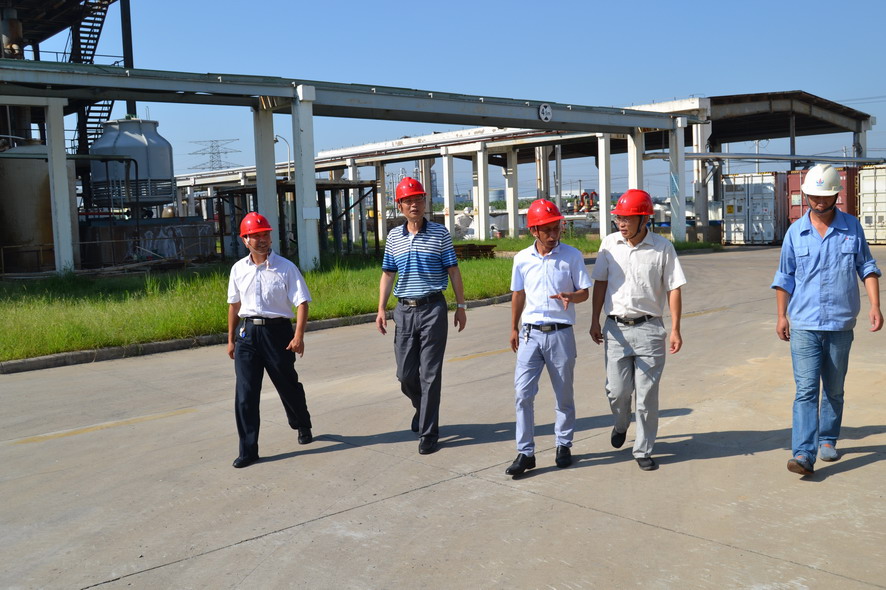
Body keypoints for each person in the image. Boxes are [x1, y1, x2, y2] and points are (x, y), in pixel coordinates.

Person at [771, 163, 882, 476]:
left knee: (834, 389)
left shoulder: (852, 228)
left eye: (826, 196)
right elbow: (784, 276)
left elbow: (867, 267)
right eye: (815, 196)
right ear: (806, 195)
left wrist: (875, 305)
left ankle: (828, 438)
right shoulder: (795, 232)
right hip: (804, 325)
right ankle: (803, 453)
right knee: (806, 390)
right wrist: (781, 315)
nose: (820, 202)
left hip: (840, 324)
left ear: (837, 196)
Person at [589, 189, 686, 471]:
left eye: (627, 218)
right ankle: (621, 423)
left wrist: (676, 328)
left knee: (646, 396)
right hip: (615, 330)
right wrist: (594, 320)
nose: (621, 223)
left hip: (650, 330)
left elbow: (674, 288)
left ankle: (643, 449)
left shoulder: (662, 248)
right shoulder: (609, 244)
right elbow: (600, 283)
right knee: (617, 391)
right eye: (618, 218)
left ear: (644, 220)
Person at [376, 177, 467, 455]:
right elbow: (388, 274)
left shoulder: (440, 234)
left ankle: (429, 433)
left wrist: (461, 306)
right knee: (405, 375)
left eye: (418, 199)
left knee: (430, 374)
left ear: (425, 202)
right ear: (400, 206)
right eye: (408, 201)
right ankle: (421, 406)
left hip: (433, 309)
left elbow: (453, 271)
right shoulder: (394, 237)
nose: (414, 205)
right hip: (403, 311)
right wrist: (381, 308)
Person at [505, 199, 591, 476]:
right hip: (530, 334)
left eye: (556, 229)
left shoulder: (572, 256)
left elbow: (585, 292)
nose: (553, 235)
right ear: (534, 230)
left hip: (560, 334)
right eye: (547, 230)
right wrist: (514, 327)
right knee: (523, 394)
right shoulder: (522, 259)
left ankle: (563, 445)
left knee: (563, 394)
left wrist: (571, 296)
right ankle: (525, 452)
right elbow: (518, 294)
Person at [227, 212, 314, 468]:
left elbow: (302, 302)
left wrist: (298, 336)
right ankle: (248, 450)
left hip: (278, 334)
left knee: (287, 385)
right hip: (247, 335)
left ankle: (302, 423)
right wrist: (230, 339)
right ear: (245, 240)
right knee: (245, 394)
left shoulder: (286, 268)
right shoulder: (238, 269)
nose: (262, 239)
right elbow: (234, 306)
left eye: (265, 234)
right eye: (256, 236)